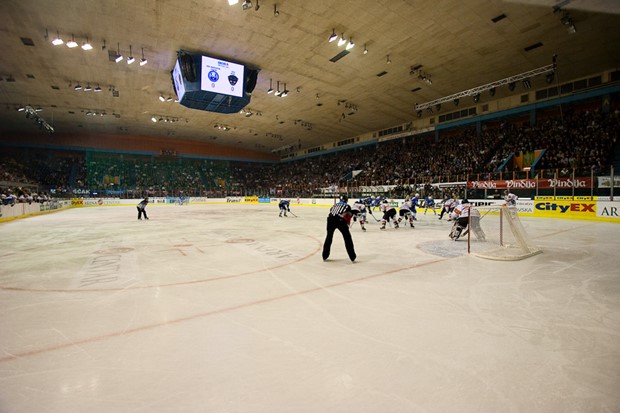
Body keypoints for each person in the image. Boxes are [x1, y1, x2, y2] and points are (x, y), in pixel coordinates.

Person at [322, 194, 356, 262]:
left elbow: (331, 211)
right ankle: (352, 256)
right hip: (340, 220)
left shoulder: (334, 205)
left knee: (329, 237)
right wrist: (348, 224)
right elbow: (348, 216)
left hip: (330, 219)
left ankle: (324, 255)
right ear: (346, 200)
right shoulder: (347, 206)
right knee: (347, 238)